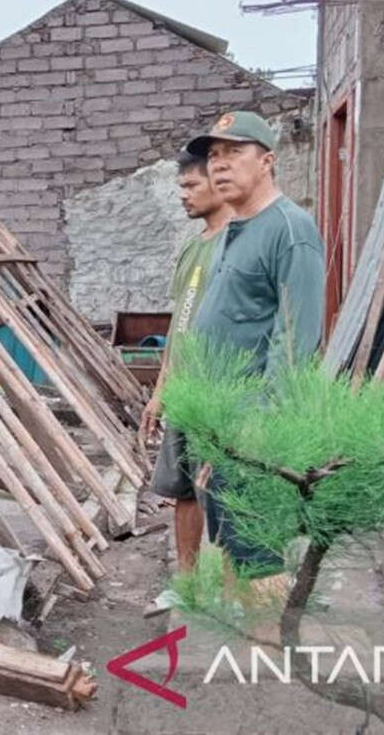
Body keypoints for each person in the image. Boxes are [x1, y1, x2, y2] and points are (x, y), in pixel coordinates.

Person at [184, 111, 325, 575]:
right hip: (222, 428)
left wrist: (260, 426)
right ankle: (240, 639)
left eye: (234, 152)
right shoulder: (233, 231)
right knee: (228, 549)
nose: (219, 165)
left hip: (253, 432)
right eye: (213, 156)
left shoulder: (290, 229)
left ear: (266, 161)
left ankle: (262, 644)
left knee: (257, 562)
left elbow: (295, 339)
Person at [140, 150, 232, 612]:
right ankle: (188, 584)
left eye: (191, 187)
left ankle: (240, 594)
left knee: (232, 491)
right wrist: (161, 392)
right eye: (181, 188)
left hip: (225, 390)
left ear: (219, 184)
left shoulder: (241, 244)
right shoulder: (192, 247)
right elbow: (181, 323)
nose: (183, 196)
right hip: (184, 391)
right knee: (182, 491)